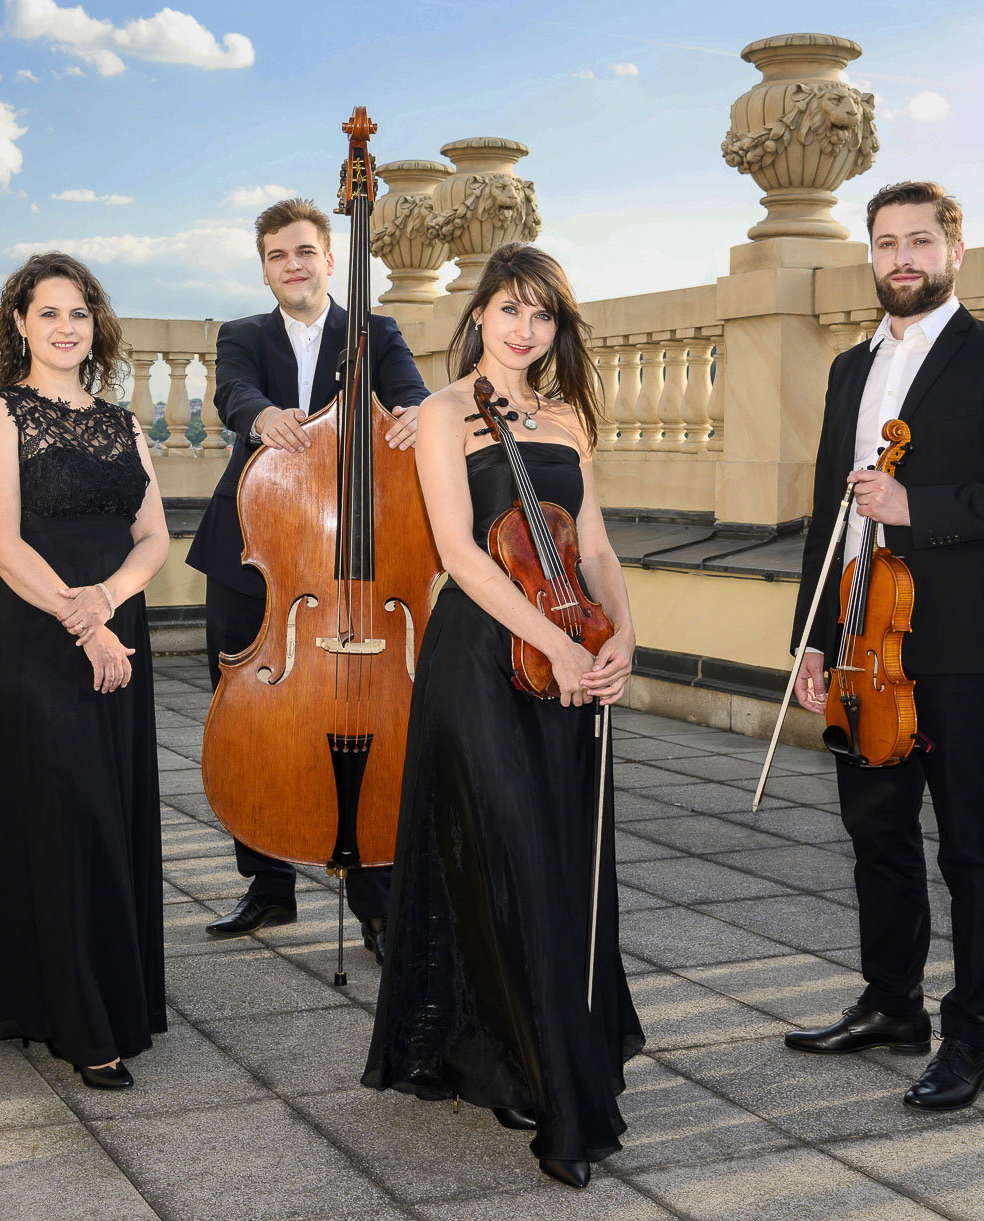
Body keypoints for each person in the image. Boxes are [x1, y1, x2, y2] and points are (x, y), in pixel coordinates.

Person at [784, 181, 984, 1110]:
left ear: (955, 250)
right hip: (864, 640)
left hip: (960, 642)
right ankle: (891, 1002)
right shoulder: (846, 369)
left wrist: (921, 508)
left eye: (919, 241)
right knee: (874, 829)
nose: (900, 258)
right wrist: (812, 640)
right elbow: (827, 518)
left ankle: (972, 1037)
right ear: (869, 256)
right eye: (885, 243)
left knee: (973, 844)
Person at [363, 243, 645, 1190]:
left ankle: (523, 1055)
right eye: (509, 310)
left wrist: (619, 637)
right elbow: (462, 554)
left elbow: (594, 545)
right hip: (485, 658)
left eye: (543, 316)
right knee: (503, 858)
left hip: (570, 652)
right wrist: (554, 645)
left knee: (562, 865)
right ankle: (544, 1086)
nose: (525, 330)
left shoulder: (568, 418)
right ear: (478, 314)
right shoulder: (441, 415)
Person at [0, 252, 168, 1089]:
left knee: (106, 809)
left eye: (79, 313)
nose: (66, 327)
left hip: (115, 627)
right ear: (21, 324)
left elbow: (155, 538)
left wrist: (108, 601)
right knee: (65, 814)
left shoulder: (124, 422)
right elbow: (2, 543)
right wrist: (84, 621)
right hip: (37, 633)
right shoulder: (1, 412)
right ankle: (82, 1024)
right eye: (48, 313)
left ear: (95, 325)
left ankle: (97, 990)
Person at [185, 198, 426, 954]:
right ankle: (267, 882)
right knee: (249, 705)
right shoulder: (243, 335)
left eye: (305, 252)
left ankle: (376, 899)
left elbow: (411, 393)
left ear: (329, 258)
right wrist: (261, 417)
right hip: (256, 548)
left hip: (353, 560)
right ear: (265, 267)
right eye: (278, 255)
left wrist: (417, 413)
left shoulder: (375, 332)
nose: (293, 265)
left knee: (367, 716)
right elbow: (234, 395)